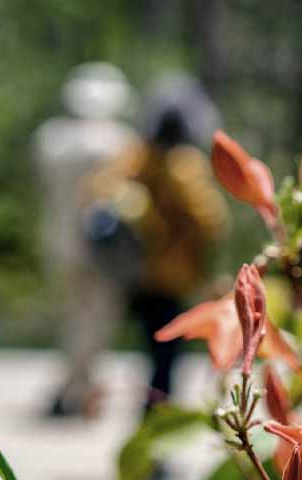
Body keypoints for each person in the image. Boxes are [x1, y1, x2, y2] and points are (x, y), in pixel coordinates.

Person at [80, 74, 228, 409]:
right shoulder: (184, 166)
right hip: (169, 280)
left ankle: (147, 420)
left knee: (150, 354)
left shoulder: (134, 156)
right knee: (164, 362)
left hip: (137, 275)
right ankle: (153, 424)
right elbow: (210, 221)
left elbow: (99, 189)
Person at [34, 62, 138, 416]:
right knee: (95, 320)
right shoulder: (119, 143)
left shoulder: (52, 139)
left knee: (71, 318)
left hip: (58, 242)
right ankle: (78, 389)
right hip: (101, 247)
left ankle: (73, 386)